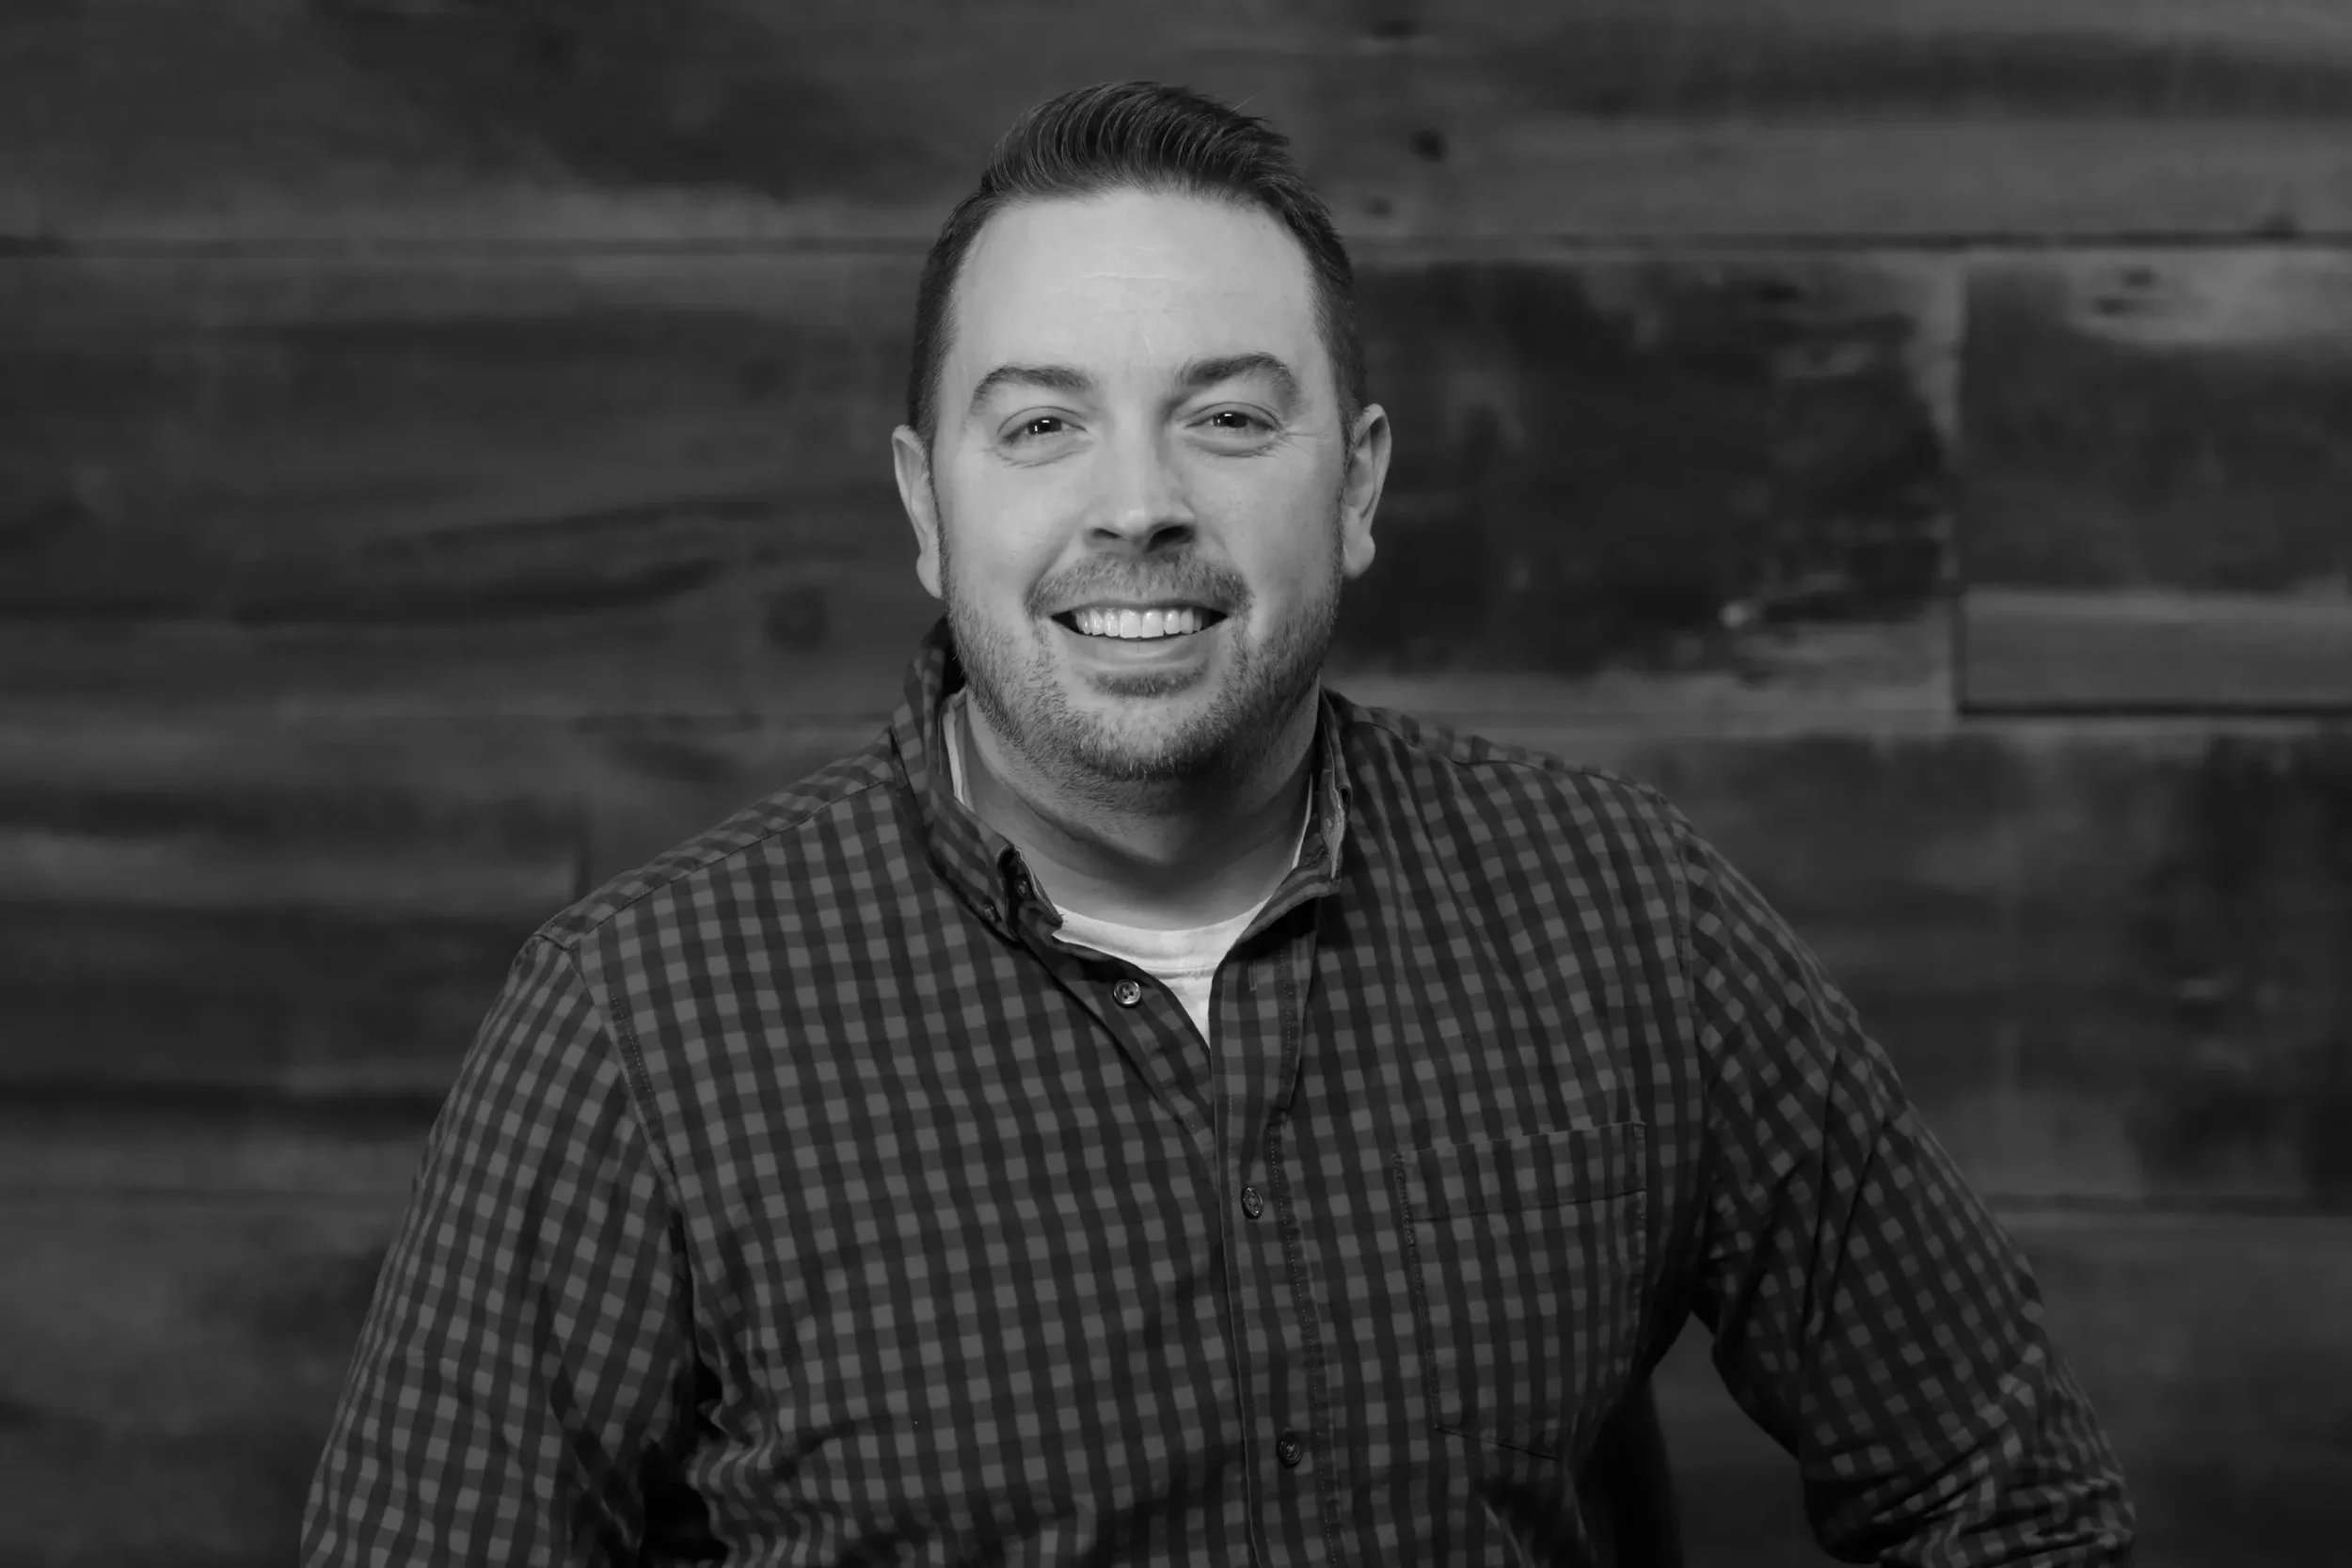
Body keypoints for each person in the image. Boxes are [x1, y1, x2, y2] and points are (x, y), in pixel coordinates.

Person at [302, 81, 2136, 1567]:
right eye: (1040, 426)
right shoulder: (639, 1022)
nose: (1138, 507)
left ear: (1355, 484)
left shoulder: (1628, 923)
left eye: (1228, 419)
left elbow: (2004, 1503)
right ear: (925, 509)